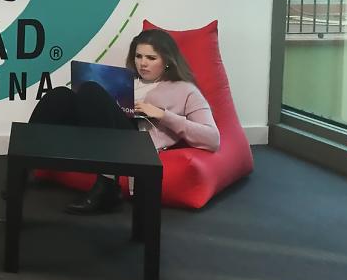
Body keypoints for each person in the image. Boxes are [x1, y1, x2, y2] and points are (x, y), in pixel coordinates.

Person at [28, 29, 220, 215]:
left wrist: (162, 114)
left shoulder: (186, 90)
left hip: (135, 140)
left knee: (90, 90)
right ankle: (23, 170)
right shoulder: (127, 80)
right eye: (138, 56)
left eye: (151, 58)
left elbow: (212, 138)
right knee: (59, 95)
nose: (143, 63)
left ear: (168, 61)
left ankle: (108, 187)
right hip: (100, 132)